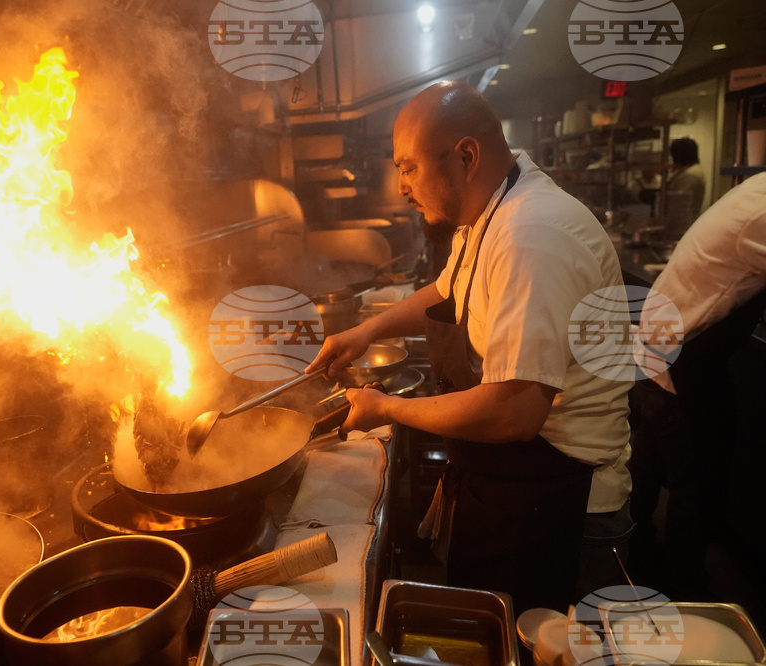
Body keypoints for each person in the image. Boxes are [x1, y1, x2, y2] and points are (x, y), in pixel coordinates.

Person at [305, 81, 633, 614]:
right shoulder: (491, 207)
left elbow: (515, 411)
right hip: (520, 487)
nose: (401, 187)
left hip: (565, 512)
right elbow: (446, 289)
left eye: (408, 168)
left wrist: (385, 408)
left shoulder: (533, 235)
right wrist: (363, 333)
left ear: (465, 156)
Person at [630, 172, 766, 599]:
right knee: (694, 485)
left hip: (663, 344)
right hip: (678, 353)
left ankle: (636, 566)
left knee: (651, 470)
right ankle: (683, 593)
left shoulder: (759, 189)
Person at [665, 137, 706, 235]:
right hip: (685, 225)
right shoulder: (692, 170)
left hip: (682, 228)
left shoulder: (689, 175)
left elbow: (678, 204)